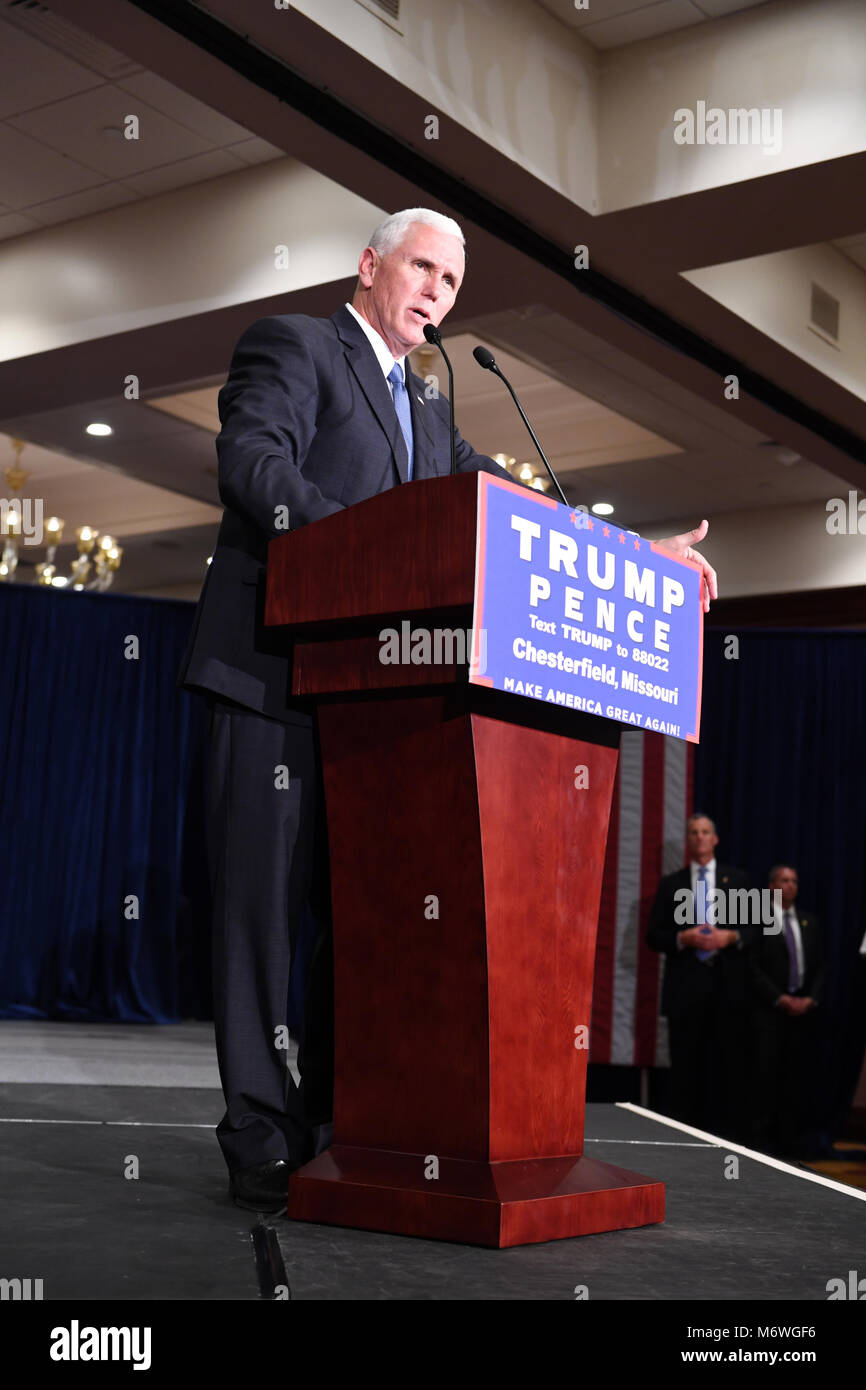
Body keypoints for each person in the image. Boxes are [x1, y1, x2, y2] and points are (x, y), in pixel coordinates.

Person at [178, 207, 719, 1211]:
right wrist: (365, 555)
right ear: (370, 264)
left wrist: (640, 555)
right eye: (422, 268)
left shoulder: (426, 409)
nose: (434, 292)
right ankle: (259, 1128)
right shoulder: (296, 343)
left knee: (367, 923)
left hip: (375, 704)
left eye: (451, 283)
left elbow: (514, 508)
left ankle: (345, 1120)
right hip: (268, 678)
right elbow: (254, 464)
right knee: (259, 917)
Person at [646, 813, 757, 1139]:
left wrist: (730, 937)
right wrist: (683, 938)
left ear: (715, 839)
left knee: (726, 1066)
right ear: (689, 840)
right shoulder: (671, 884)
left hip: (728, 991)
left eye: (705, 832)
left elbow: (760, 929)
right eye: (693, 832)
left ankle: (725, 1137)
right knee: (685, 1068)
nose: (699, 837)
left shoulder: (738, 880)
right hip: (686, 991)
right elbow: (653, 936)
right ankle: (682, 1135)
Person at [749, 865, 825, 1156]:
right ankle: (759, 1142)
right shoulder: (758, 920)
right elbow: (752, 968)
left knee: (795, 1080)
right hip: (768, 1013)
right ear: (771, 886)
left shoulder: (809, 922)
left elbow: (820, 968)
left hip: (802, 1014)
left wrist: (811, 999)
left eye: (794, 880)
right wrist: (779, 998)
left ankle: (789, 1144)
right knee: (764, 1078)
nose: (790, 885)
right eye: (784, 880)